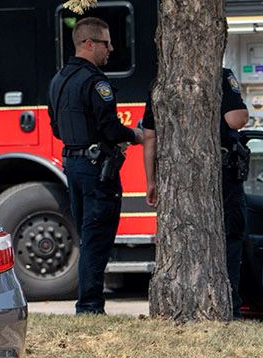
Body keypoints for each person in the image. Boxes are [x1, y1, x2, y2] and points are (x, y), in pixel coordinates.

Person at [47, 16, 147, 315]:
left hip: (73, 165)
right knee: (97, 236)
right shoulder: (96, 82)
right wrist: (135, 135)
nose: (111, 49)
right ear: (88, 44)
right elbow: (110, 129)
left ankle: (88, 303)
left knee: (86, 234)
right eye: (106, 43)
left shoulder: (59, 80)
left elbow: (56, 128)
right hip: (96, 169)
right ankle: (90, 305)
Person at [140, 68, 250, 314]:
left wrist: (151, 181)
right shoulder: (219, 75)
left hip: (176, 179)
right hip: (220, 176)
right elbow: (236, 119)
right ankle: (229, 305)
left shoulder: (159, 81)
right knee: (230, 236)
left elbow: (149, 136)